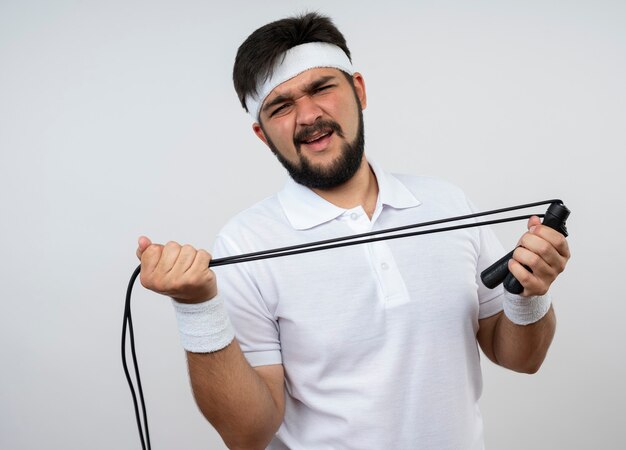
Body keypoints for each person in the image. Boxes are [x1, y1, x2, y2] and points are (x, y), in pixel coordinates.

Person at [136, 12, 570, 450]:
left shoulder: (448, 204)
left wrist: (529, 294)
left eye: (321, 88)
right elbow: (248, 435)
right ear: (263, 134)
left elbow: (521, 357)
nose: (308, 115)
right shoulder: (245, 243)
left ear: (358, 90)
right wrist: (197, 309)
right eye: (281, 106)